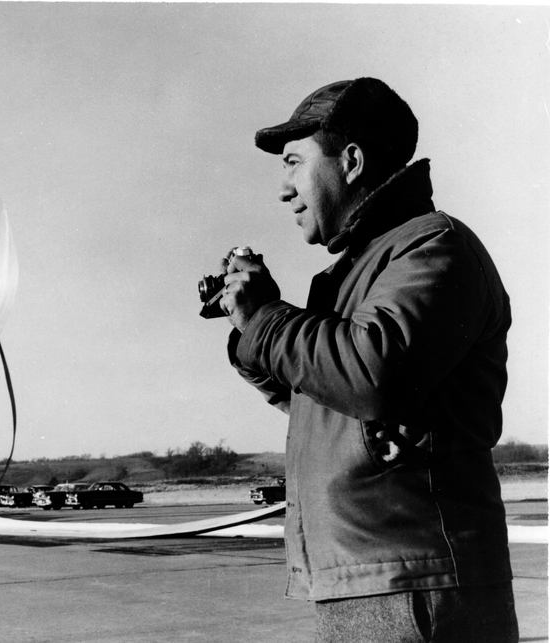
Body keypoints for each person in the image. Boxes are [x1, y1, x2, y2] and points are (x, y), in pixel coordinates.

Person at [219, 77, 517, 642]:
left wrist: (266, 320)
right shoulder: (361, 269)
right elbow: (332, 405)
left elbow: (371, 375)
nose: (284, 189)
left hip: (414, 582)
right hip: (372, 577)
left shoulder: (432, 247)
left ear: (351, 161)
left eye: (293, 163)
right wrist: (251, 339)